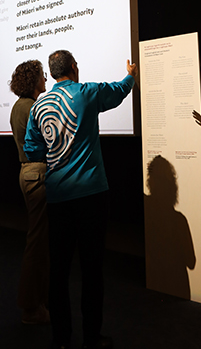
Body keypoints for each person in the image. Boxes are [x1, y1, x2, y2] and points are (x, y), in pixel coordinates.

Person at [24, 50, 137, 349]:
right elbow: (118, 91)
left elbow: (32, 149)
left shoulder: (38, 107)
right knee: (91, 269)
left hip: (58, 197)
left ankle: (61, 338)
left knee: (58, 270)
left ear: (51, 73)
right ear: (74, 68)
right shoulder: (87, 93)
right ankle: (91, 337)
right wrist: (131, 75)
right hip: (91, 196)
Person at [9, 60, 50, 325]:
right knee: (37, 242)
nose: (46, 78)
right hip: (38, 174)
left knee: (39, 239)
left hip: (28, 173)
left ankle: (35, 303)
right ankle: (31, 307)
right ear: (34, 80)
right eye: (42, 75)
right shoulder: (33, 107)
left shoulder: (18, 107)